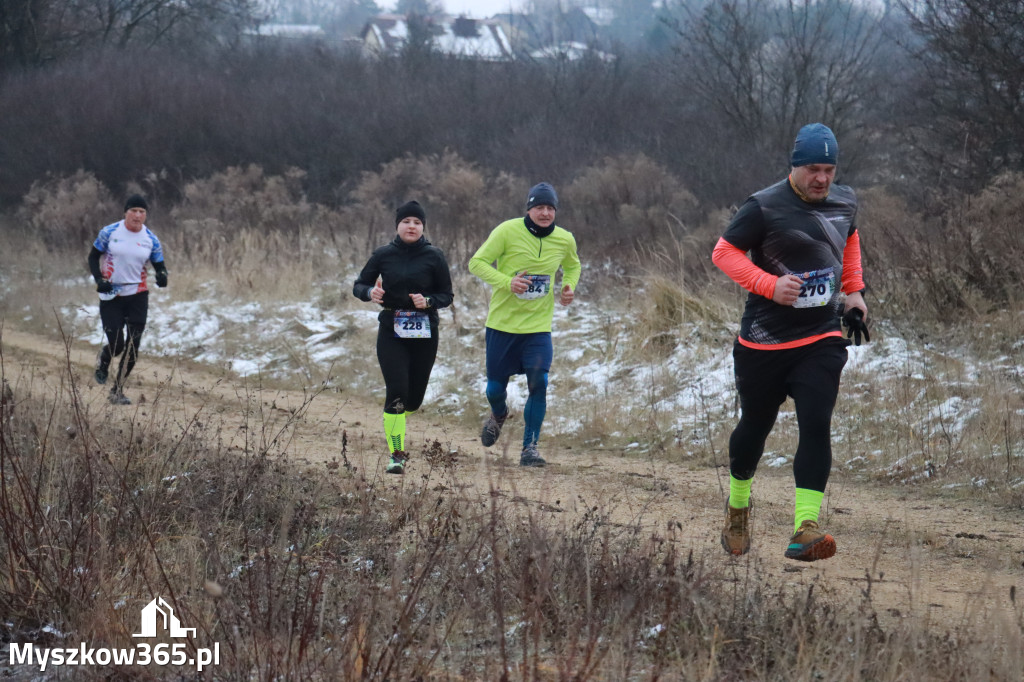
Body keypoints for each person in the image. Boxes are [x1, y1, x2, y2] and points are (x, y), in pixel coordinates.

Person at [711, 123, 870, 562]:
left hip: (821, 336)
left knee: (816, 423)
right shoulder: (763, 206)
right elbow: (723, 252)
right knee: (754, 427)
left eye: (829, 169)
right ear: (794, 167)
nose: (822, 179)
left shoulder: (845, 200)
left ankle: (805, 527)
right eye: (813, 169)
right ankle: (739, 506)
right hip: (763, 343)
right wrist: (767, 284)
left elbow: (849, 239)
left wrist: (854, 291)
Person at [468, 182, 582, 467]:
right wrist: (508, 282)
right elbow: (477, 262)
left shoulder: (565, 239)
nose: (545, 213)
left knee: (539, 383)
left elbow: (573, 265)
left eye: (550, 208)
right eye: (539, 207)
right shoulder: (507, 231)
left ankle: (529, 448)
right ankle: (498, 413)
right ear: (529, 209)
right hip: (502, 325)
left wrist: (569, 285)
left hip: (538, 329)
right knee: (494, 389)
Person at [353, 200, 453, 475]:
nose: (412, 226)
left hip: (425, 331)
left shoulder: (435, 256)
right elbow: (359, 284)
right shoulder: (383, 254)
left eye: (417, 222)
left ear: (423, 227)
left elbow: (447, 295)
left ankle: (395, 419)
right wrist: (368, 293)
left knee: (413, 400)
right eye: (407, 221)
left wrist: (429, 300)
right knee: (396, 393)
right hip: (391, 330)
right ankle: (396, 455)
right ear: (398, 225)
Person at [89, 194, 168, 405]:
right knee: (117, 345)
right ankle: (104, 360)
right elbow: (93, 256)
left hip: (138, 295)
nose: (138, 215)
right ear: (125, 212)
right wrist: (99, 279)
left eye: (142, 212)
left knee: (133, 346)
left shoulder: (150, 238)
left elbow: (159, 265)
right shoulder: (109, 232)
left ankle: (117, 391)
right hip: (111, 295)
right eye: (133, 210)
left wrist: (162, 276)